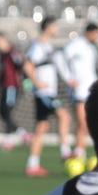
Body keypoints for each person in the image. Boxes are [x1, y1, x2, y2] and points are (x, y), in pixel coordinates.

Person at [23, 16, 72, 177]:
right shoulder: (38, 46)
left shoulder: (47, 46)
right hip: (44, 93)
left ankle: (32, 164)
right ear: (48, 27)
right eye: (55, 26)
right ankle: (65, 152)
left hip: (48, 93)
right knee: (64, 116)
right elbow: (27, 65)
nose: (57, 29)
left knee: (41, 128)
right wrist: (37, 83)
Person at [62, 23, 98, 160]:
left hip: (90, 90)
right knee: (83, 122)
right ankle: (78, 153)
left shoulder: (91, 48)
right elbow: (60, 57)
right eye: (96, 33)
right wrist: (68, 77)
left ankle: (79, 151)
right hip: (79, 91)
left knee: (87, 123)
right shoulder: (77, 44)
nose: (97, 37)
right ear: (89, 32)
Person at [0, 32, 26, 138]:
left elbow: (21, 65)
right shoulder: (2, 55)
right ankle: (19, 131)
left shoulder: (13, 52)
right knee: (2, 112)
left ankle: (9, 136)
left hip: (12, 86)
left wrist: (26, 81)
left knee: (7, 110)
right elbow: (3, 72)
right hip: (4, 86)